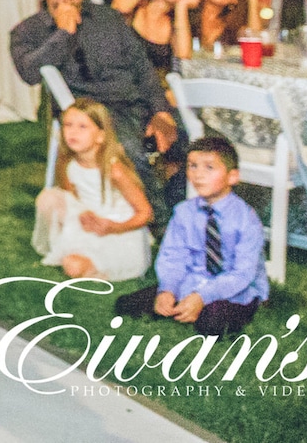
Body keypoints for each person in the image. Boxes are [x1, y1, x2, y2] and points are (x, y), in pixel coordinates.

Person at [10, 0, 179, 207]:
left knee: (202, 141)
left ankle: (187, 213)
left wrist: (162, 111)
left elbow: (141, 67)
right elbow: (29, 72)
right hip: (92, 112)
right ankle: (157, 221)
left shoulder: (108, 19)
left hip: (138, 103)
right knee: (131, 148)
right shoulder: (30, 30)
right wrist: (63, 33)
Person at [113, 136, 269, 336]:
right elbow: (173, 256)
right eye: (193, 166)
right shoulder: (184, 212)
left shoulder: (246, 219)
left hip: (235, 290)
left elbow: (242, 274)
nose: (198, 175)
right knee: (128, 304)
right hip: (192, 281)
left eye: (209, 168)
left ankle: (204, 308)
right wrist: (168, 290)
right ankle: (181, 302)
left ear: (232, 177)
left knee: (212, 322)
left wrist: (203, 296)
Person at [32, 98, 153, 281]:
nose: (73, 132)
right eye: (68, 125)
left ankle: (101, 265)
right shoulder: (68, 162)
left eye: (82, 127)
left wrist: (113, 227)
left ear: (101, 136)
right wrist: (84, 213)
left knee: (74, 267)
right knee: (48, 198)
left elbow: (145, 213)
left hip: (118, 230)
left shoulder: (114, 171)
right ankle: (71, 249)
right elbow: (73, 194)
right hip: (91, 221)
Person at [179, 0, 251, 58]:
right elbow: (182, 56)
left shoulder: (234, 26)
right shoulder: (184, 14)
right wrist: (181, 7)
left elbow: (254, 42)